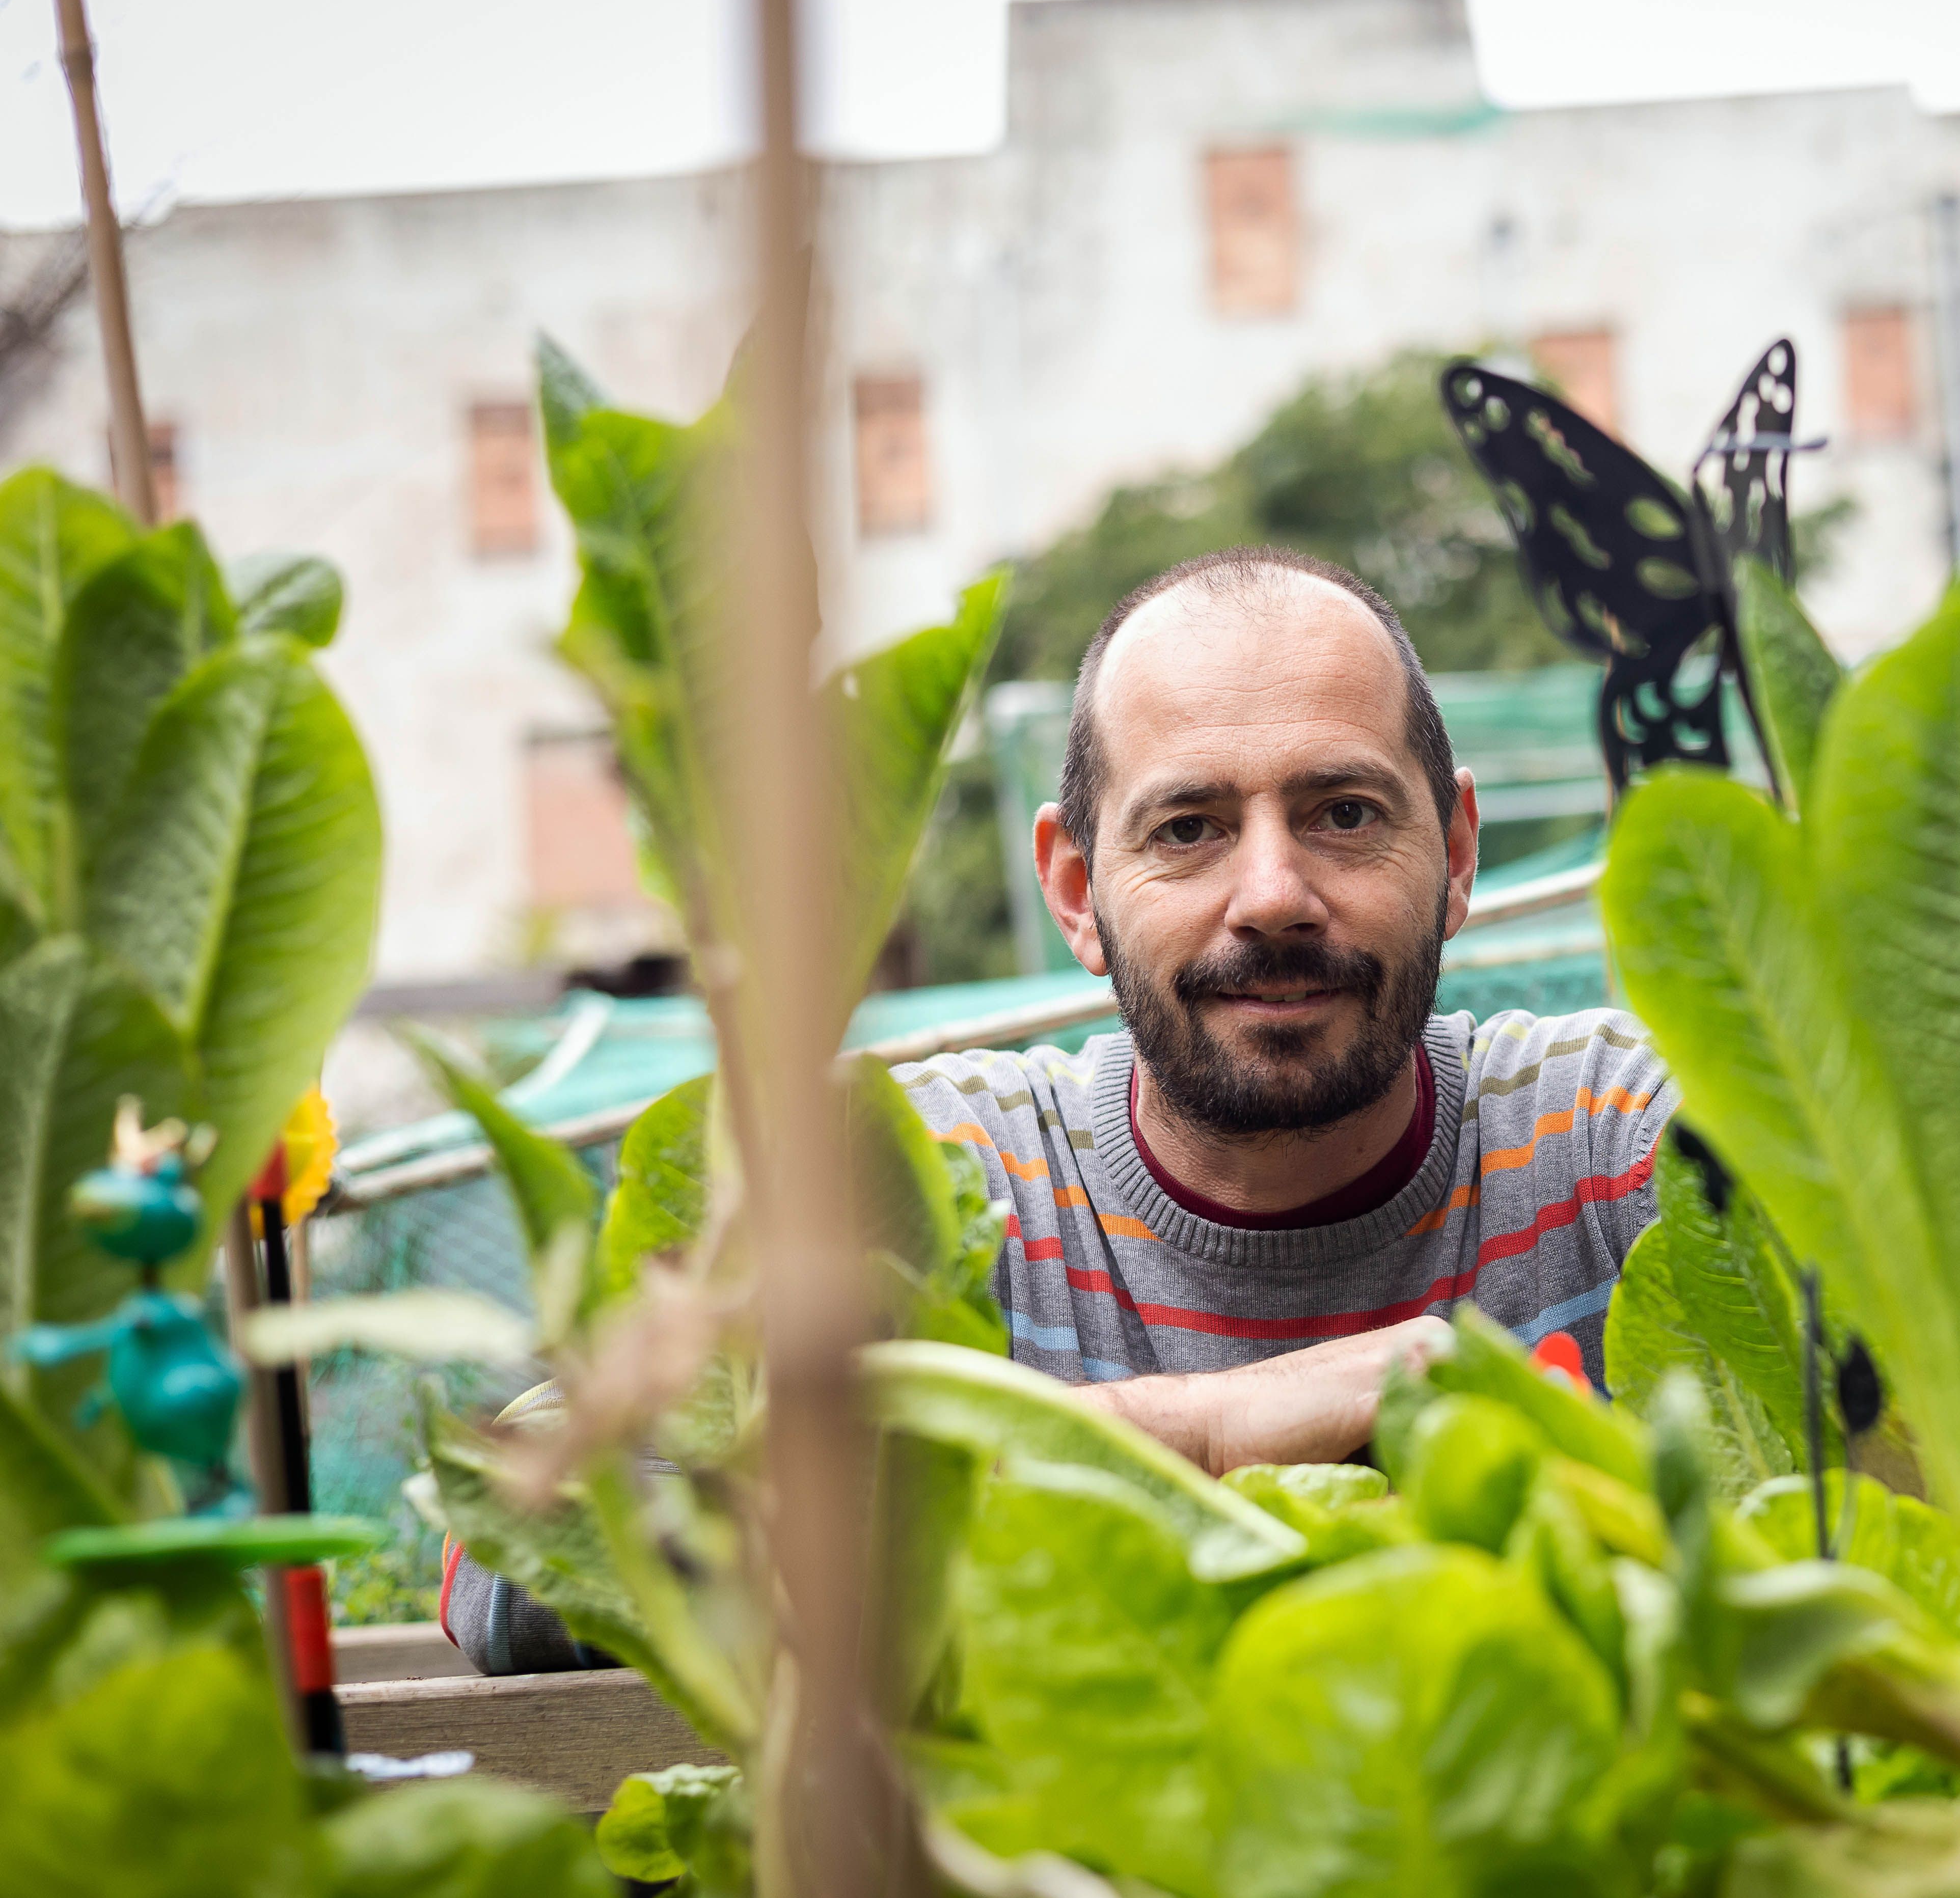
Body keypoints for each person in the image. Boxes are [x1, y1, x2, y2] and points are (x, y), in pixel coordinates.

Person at [439, 545, 1675, 1672]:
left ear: (1457, 849)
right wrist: (1190, 1435)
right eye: (1188, 828)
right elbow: (515, 1542)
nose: (1274, 894)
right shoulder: (933, 1177)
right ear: (1078, 890)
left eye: (1344, 814)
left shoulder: (1608, 1133)